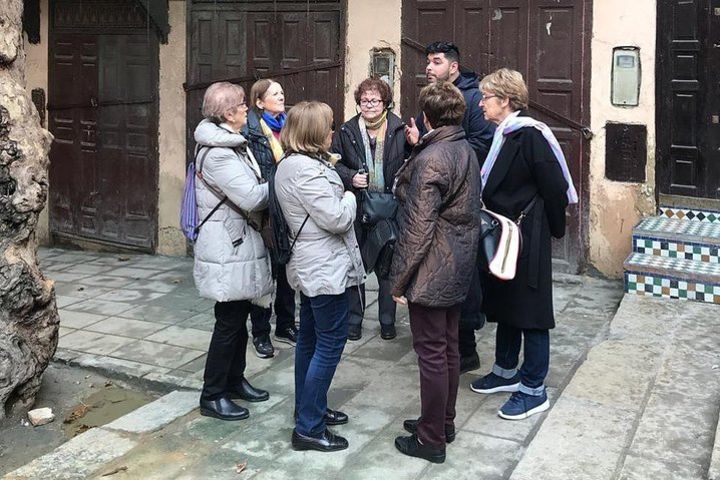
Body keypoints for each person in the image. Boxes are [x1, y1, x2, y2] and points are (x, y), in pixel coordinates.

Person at [469, 68, 577, 420]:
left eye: (487, 97)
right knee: (507, 302)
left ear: (506, 101)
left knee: (531, 311)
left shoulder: (529, 136)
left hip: (527, 237)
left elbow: (554, 187)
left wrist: (551, 230)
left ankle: (533, 388)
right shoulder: (503, 134)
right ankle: (505, 371)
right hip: (507, 235)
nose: (481, 103)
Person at [391, 82, 481, 463]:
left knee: (432, 352)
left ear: (426, 117)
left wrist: (399, 281)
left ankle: (431, 440)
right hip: (458, 262)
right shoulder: (464, 149)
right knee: (447, 348)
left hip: (432, 265)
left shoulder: (433, 157)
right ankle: (442, 421)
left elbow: (417, 227)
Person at [274, 101, 366, 452]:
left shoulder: (296, 164)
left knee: (311, 341)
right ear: (314, 133)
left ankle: (309, 409)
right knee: (329, 343)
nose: (333, 132)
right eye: (328, 127)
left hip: (314, 265)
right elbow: (337, 219)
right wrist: (349, 194)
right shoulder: (306, 171)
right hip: (322, 267)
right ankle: (309, 428)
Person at [405, 40, 495, 374]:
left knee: (462, 275)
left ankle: (464, 348)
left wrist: (440, 153)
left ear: (453, 67)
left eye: (437, 62)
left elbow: (480, 144)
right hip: (437, 195)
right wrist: (418, 142)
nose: (429, 68)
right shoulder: (432, 97)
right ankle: (453, 348)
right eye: (428, 62)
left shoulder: (472, 98)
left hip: (459, 200)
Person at [193, 82, 273, 421]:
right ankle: (212, 394)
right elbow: (252, 197)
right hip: (227, 246)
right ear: (228, 114)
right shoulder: (219, 153)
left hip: (237, 241)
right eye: (242, 105)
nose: (246, 109)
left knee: (238, 318)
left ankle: (235, 380)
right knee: (228, 322)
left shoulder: (233, 145)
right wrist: (285, 179)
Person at [332, 77, 406, 341]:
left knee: (387, 266)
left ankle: (387, 321)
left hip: (389, 208)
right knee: (356, 264)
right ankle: (354, 321)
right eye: (364, 101)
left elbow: (411, 162)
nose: (369, 105)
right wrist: (350, 176)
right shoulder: (347, 130)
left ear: (385, 102)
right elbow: (334, 163)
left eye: (375, 100)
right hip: (359, 206)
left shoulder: (399, 128)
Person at [243, 79, 298, 359]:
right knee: (264, 274)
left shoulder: (290, 126)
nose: (281, 96)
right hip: (264, 211)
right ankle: (261, 333)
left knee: (287, 270)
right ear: (260, 102)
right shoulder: (250, 132)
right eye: (275, 94)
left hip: (287, 206)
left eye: (282, 92)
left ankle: (286, 325)